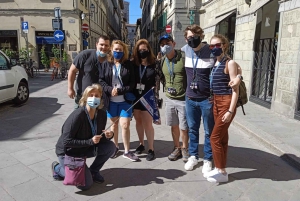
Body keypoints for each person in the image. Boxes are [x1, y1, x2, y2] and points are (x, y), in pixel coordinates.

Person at [181, 25, 242, 174]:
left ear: (201, 36)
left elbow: (234, 66)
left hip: (207, 100)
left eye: (195, 36)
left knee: (209, 131)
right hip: (190, 98)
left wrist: (239, 77)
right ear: (186, 38)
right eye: (189, 37)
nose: (192, 39)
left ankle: (208, 159)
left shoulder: (211, 49)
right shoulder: (185, 49)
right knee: (193, 129)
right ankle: (193, 156)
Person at [52, 84, 115, 190]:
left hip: (85, 148)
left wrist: (109, 135)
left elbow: (98, 136)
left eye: (97, 95)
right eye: (91, 95)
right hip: (69, 152)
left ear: (101, 98)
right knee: (85, 185)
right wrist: (90, 141)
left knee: (110, 147)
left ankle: (93, 172)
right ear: (85, 98)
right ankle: (58, 168)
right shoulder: (77, 116)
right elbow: (67, 141)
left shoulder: (101, 114)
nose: (94, 98)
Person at [204, 34, 239, 183]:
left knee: (214, 137)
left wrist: (231, 111)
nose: (214, 48)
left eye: (217, 45)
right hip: (216, 103)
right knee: (223, 138)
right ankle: (221, 169)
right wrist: (240, 75)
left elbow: (235, 90)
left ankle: (220, 170)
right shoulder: (215, 63)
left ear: (224, 45)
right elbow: (240, 72)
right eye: (212, 46)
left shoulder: (229, 63)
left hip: (226, 102)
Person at [99, 40, 138, 161]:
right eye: (116, 49)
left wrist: (120, 90)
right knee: (114, 125)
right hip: (110, 101)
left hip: (125, 100)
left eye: (120, 50)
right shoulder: (106, 64)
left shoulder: (128, 64)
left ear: (124, 51)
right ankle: (115, 147)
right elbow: (101, 81)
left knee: (125, 125)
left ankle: (127, 151)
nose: (118, 52)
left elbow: (132, 83)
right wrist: (110, 89)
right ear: (111, 50)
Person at [158, 34, 189, 162]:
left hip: (183, 99)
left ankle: (185, 148)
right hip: (169, 98)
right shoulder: (162, 60)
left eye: (168, 43)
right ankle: (177, 147)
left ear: (174, 43)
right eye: (162, 44)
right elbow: (161, 77)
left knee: (184, 126)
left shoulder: (183, 58)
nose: (165, 46)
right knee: (174, 125)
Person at [131, 39, 161, 161]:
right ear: (136, 51)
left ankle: (151, 149)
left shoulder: (154, 63)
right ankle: (141, 144)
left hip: (148, 97)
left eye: (145, 49)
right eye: (140, 50)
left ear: (148, 50)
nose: (142, 52)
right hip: (135, 97)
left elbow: (159, 78)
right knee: (138, 122)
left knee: (147, 124)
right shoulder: (133, 63)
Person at [68, 35, 111, 109]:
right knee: (80, 119)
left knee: (99, 119)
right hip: (83, 97)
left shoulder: (110, 60)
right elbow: (72, 70)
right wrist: (70, 88)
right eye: (101, 44)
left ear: (109, 47)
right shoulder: (85, 55)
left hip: (101, 98)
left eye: (106, 45)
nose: (104, 47)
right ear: (96, 44)